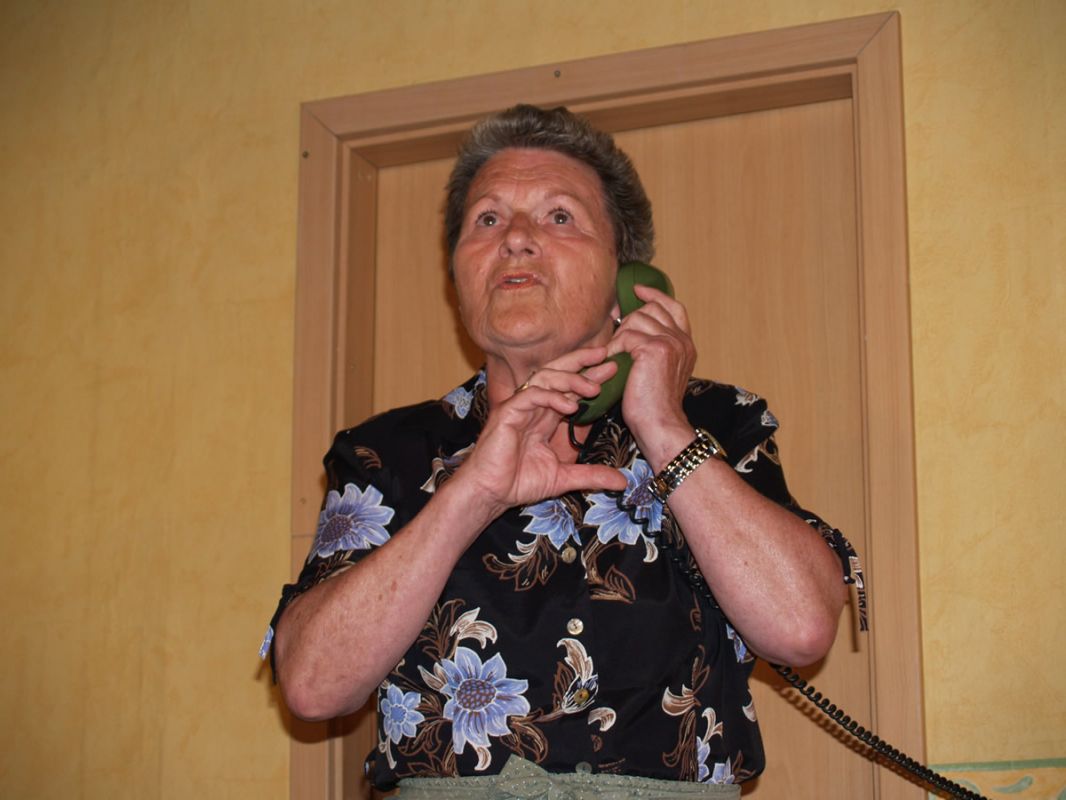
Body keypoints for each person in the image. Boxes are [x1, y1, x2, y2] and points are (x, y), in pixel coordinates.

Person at [263, 104, 863, 798]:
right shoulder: (384, 452)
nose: (515, 239)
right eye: (487, 219)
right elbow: (312, 685)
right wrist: (470, 495)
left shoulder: (719, 423)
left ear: (628, 281)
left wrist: (663, 427)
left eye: (558, 216)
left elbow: (801, 628)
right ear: (457, 273)